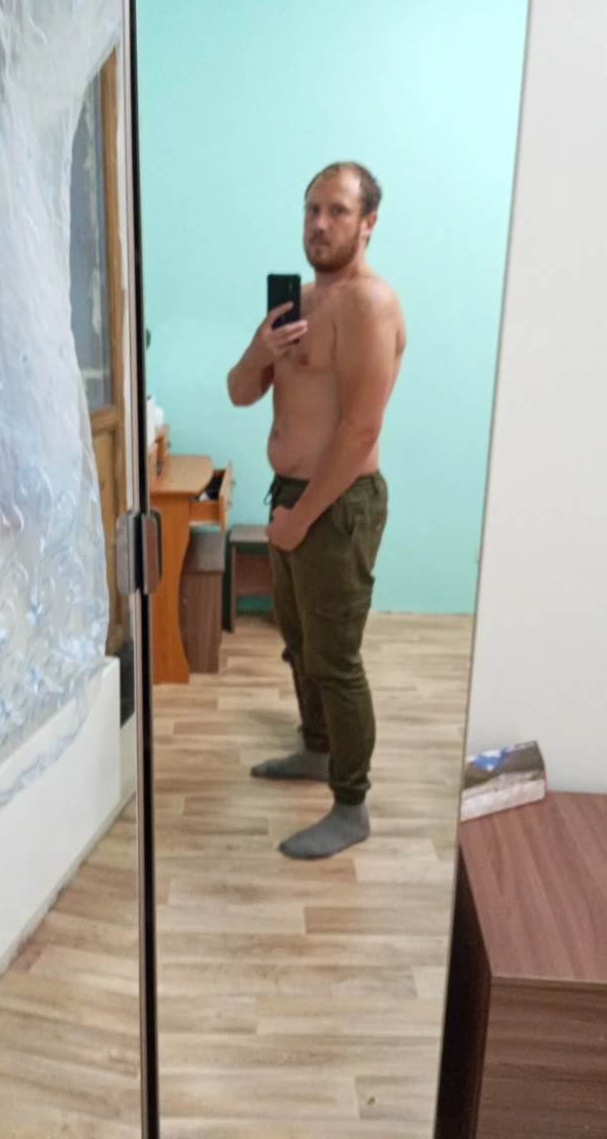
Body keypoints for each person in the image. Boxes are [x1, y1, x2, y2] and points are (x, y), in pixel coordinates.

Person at [227, 162, 406, 859]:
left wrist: (300, 520)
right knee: (299, 643)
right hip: (289, 497)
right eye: (311, 209)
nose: (320, 224)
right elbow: (241, 391)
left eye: (337, 210)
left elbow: (359, 430)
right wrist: (260, 349)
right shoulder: (297, 303)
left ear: (369, 222)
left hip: (334, 507)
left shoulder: (368, 305)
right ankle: (316, 749)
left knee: (335, 660)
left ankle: (351, 805)